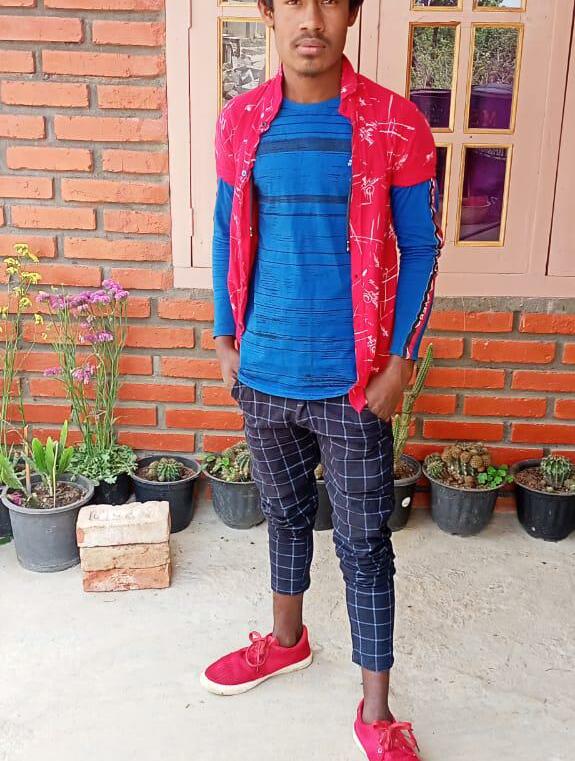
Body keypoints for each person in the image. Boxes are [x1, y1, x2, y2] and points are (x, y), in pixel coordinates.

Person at [201, 1, 444, 759]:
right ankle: (286, 642)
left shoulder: (395, 124)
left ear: (352, 12)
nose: (311, 18)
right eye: (294, 2)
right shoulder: (242, 121)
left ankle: (376, 711)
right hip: (264, 372)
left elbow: (422, 247)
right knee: (282, 514)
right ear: (270, 13)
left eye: (330, 0)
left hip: (354, 381)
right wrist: (224, 337)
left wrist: (400, 360)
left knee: (364, 543)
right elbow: (225, 230)